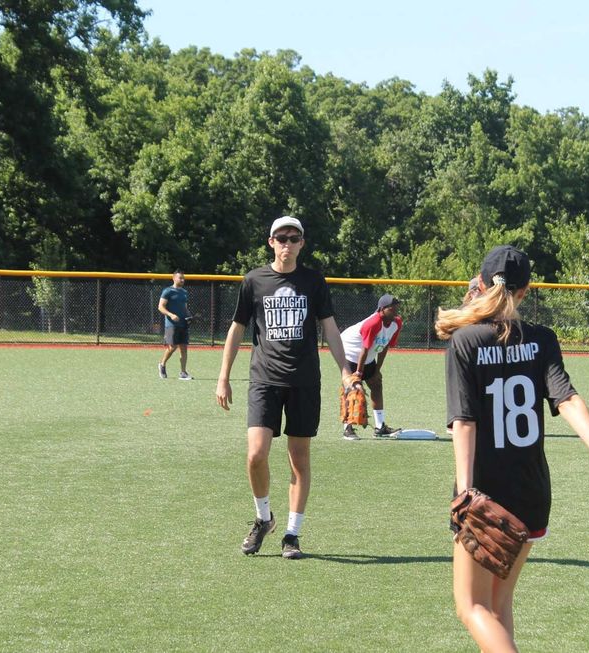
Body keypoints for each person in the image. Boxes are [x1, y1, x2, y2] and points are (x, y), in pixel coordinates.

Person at [435, 245, 589, 652]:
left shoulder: (465, 341)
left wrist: (465, 492)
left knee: (472, 607)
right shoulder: (542, 339)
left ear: (481, 283)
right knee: (499, 604)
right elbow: (566, 399)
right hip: (531, 491)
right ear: (525, 291)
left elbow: (464, 421)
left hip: (486, 490)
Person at [215, 216, 352, 560]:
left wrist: (346, 371)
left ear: (301, 244)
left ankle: (292, 534)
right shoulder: (254, 280)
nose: (287, 244)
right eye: (281, 238)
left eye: (293, 238)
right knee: (255, 454)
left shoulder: (313, 281)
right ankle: (264, 519)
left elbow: (330, 328)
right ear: (271, 242)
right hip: (265, 378)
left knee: (299, 460)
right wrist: (223, 376)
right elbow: (237, 328)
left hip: (304, 380)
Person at [339, 293, 404, 440]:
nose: (395, 310)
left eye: (396, 307)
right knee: (353, 388)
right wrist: (358, 374)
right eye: (391, 308)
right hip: (349, 352)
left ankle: (380, 427)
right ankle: (347, 428)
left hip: (366, 356)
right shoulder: (372, 323)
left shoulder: (396, 323)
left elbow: (384, 346)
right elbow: (364, 349)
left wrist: (377, 371)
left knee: (376, 384)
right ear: (382, 309)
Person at [157, 270, 193, 380]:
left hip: (183, 323)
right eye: (180, 278)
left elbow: (185, 308)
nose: (182, 280)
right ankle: (162, 364)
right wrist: (171, 315)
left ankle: (183, 372)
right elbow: (160, 307)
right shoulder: (167, 291)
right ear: (173, 278)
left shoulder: (184, 292)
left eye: (183, 278)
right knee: (172, 347)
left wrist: (189, 316)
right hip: (171, 324)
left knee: (184, 348)